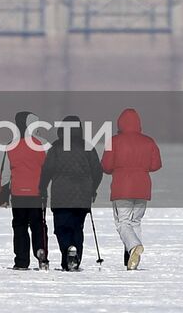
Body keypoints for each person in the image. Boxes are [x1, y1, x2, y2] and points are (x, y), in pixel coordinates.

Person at [40, 115, 104, 271]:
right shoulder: (87, 146)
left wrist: (42, 188)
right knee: (77, 228)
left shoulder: (56, 147)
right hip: (83, 195)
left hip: (61, 195)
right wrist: (93, 189)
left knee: (62, 228)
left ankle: (68, 251)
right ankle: (74, 259)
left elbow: (47, 170)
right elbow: (98, 171)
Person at [101, 107, 162, 270]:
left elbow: (106, 166)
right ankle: (133, 260)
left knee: (123, 223)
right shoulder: (148, 141)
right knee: (135, 222)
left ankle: (134, 247)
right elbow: (156, 164)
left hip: (122, 187)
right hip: (142, 187)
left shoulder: (113, 141)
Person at [1, 110, 49, 270]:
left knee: (20, 226)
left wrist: (3, 196)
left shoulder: (11, 145)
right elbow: (48, 169)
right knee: (39, 225)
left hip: (18, 194)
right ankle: (41, 253)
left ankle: (21, 261)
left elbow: (5, 173)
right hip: (37, 193)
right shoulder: (42, 144)